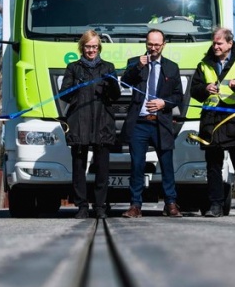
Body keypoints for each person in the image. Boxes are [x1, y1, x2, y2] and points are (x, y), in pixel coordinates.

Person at [190, 27, 235, 217]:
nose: (215, 46)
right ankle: (215, 205)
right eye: (214, 43)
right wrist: (205, 88)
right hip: (212, 122)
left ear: (229, 43)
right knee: (213, 167)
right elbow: (194, 90)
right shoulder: (204, 64)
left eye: (219, 43)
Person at [120, 29, 184, 218]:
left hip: (161, 123)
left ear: (163, 45)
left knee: (166, 165)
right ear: (146, 44)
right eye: (150, 44)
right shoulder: (135, 62)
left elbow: (178, 96)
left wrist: (164, 103)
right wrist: (137, 67)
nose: (153, 48)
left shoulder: (172, 67)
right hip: (139, 123)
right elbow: (124, 83)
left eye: (157, 44)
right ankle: (135, 205)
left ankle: (171, 203)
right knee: (137, 165)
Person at [59, 30, 121, 219]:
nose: (91, 50)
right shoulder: (73, 68)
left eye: (94, 47)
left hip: (102, 122)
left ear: (99, 47)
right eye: (88, 46)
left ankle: (100, 206)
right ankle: (82, 206)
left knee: (102, 168)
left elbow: (115, 96)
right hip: (79, 123)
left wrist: (111, 85)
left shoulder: (108, 67)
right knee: (79, 168)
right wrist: (74, 86)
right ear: (82, 47)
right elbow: (65, 95)